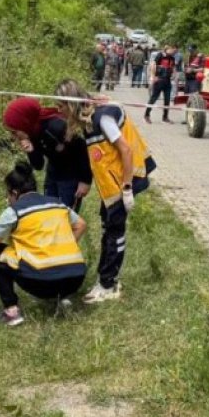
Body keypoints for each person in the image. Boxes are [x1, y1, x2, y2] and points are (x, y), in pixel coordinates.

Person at [55, 79, 156, 303]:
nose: (58, 111)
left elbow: (126, 150)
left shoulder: (101, 119)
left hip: (124, 180)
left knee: (114, 232)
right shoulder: (89, 119)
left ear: (70, 103)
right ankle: (104, 278)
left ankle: (109, 284)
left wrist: (127, 188)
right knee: (107, 227)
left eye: (60, 106)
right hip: (111, 185)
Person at [0, 163, 88, 326]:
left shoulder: (14, 210)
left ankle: (11, 311)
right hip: (75, 279)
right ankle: (61, 299)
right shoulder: (57, 203)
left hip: (41, 282)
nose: (8, 198)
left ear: (14, 193)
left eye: (8, 194)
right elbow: (81, 225)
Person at [2, 97, 92, 210]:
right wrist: (31, 151)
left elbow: (83, 150)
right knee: (49, 212)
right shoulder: (32, 131)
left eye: (15, 132)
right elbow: (38, 165)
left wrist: (85, 181)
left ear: (25, 122)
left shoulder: (56, 127)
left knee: (65, 215)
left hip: (71, 177)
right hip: (53, 174)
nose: (13, 136)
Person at [144, 45, 178, 123]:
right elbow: (153, 65)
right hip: (159, 80)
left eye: (174, 50)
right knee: (153, 98)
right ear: (167, 49)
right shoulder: (160, 55)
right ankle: (146, 115)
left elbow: (173, 68)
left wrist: (174, 75)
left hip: (167, 81)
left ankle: (165, 117)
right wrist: (153, 77)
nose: (173, 51)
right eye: (172, 49)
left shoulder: (172, 58)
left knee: (167, 100)